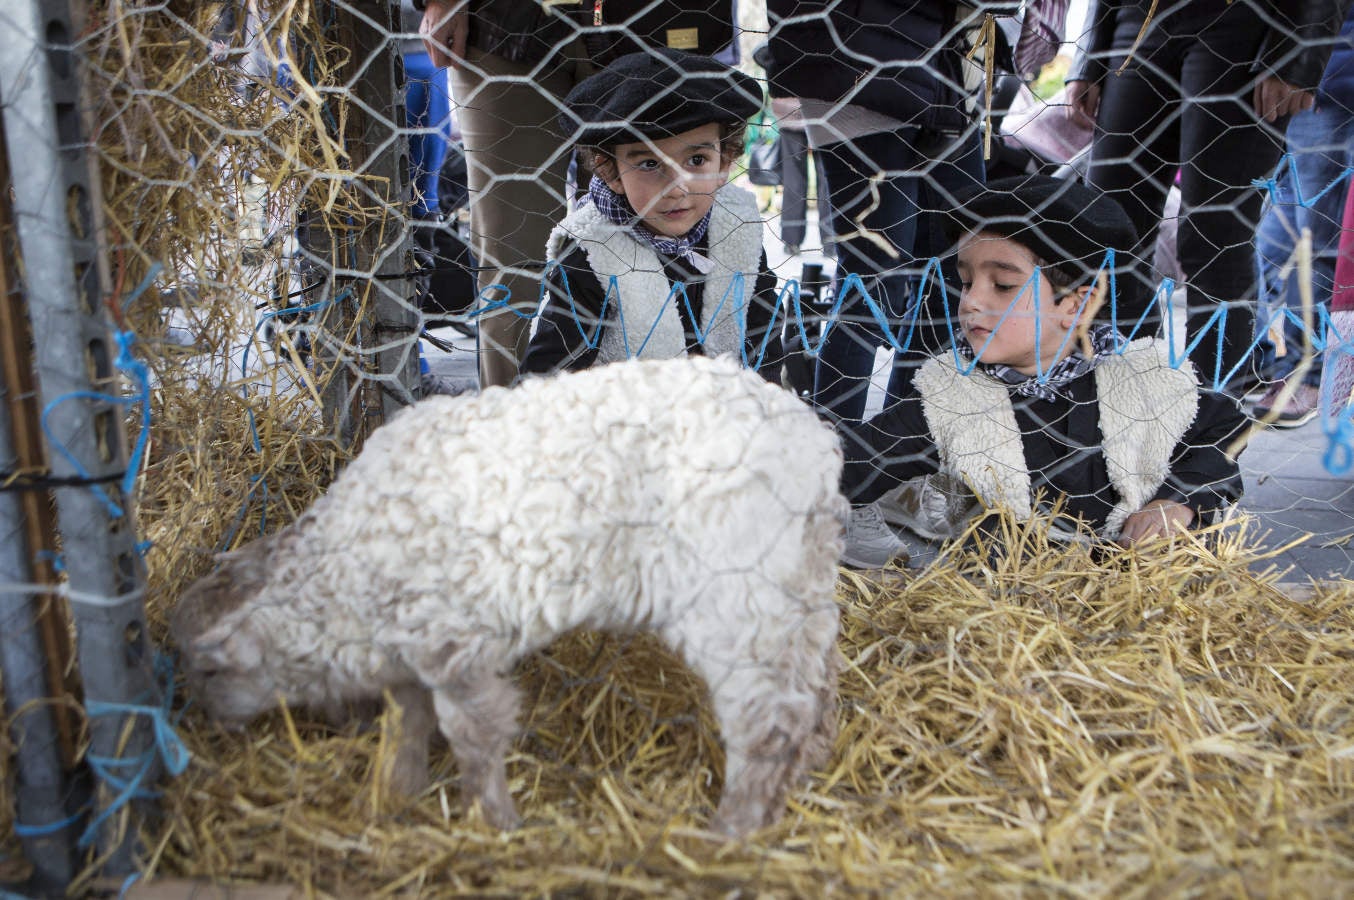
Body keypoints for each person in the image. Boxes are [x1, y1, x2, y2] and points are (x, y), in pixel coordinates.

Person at [838, 175, 1248, 568]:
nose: (970, 301)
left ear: (1076, 305)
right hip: (1012, 614)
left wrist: (1178, 501)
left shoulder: (1142, 376)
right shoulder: (950, 397)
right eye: (965, 281)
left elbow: (1225, 429)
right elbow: (852, 462)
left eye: (1001, 285)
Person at [1066, 0, 1353, 396]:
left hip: (1247, 27)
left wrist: (1299, 53)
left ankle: (1212, 423)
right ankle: (1123, 399)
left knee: (1213, 237)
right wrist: (1088, 59)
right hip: (1138, 20)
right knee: (1110, 227)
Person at [761, 1, 1013, 424]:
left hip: (947, 71)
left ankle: (908, 440)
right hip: (859, 61)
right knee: (875, 279)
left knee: (956, 266)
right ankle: (833, 454)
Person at [518, 49, 783, 380]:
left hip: (722, 417)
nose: (677, 188)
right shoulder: (592, 253)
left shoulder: (737, 225)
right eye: (649, 164)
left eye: (697, 160)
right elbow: (547, 377)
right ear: (610, 171)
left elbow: (763, 333)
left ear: (725, 160)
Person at [1252, 7, 1354, 426]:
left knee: (1309, 226)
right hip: (1321, 72)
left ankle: (1286, 368)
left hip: (1321, 71)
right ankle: (1287, 367)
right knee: (1305, 229)